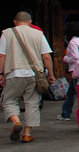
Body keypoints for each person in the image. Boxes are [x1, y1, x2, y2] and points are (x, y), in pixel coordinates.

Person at [0, 11, 55, 143]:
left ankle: (16, 122)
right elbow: (46, 56)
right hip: (33, 74)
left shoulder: (6, 33)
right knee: (32, 103)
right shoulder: (38, 34)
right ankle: (27, 133)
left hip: (14, 73)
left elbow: (2, 56)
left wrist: (1, 74)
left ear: (15, 22)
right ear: (31, 22)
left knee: (8, 100)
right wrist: (51, 74)